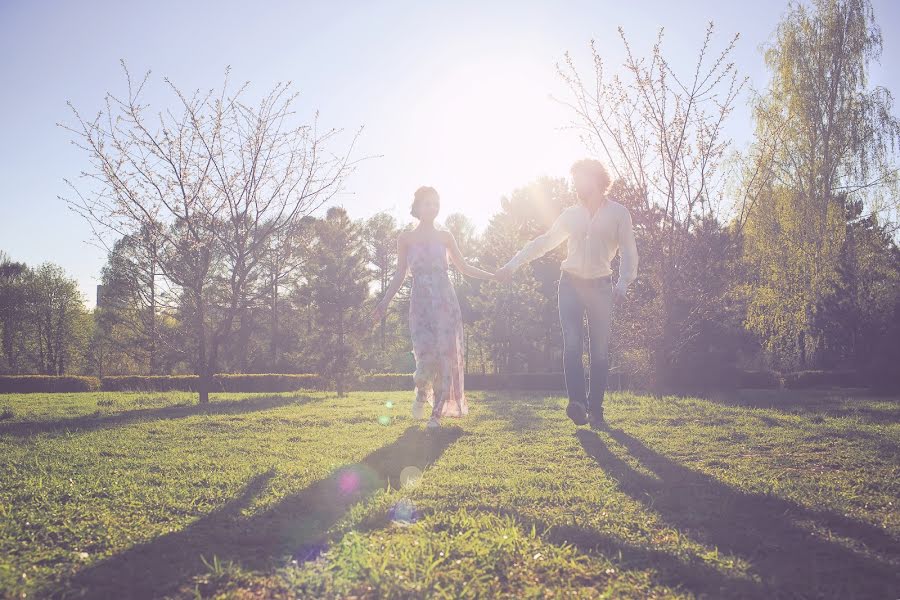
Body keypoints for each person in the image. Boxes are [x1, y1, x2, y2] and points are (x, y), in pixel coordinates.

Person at [496, 159, 638, 429]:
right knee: (572, 346)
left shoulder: (619, 214)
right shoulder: (571, 214)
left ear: (596, 179)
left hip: (601, 288)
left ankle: (596, 410)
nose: (575, 185)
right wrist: (512, 264)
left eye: (579, 179)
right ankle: (578, 404)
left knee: (599, 352)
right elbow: (545, 242)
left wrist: (623, 283)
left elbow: (629, 251)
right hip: (570, 285)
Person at [372, 186, 495, 430]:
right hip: (420, 303)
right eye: (427, 203)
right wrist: (384, 301)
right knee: (424, 358)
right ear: (417, 207)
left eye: (436, 203)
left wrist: (493, 276)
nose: (433, 207)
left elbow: (465, 267)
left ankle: (436, 415)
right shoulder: (405, 239)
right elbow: (399, 274)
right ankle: (421, 391)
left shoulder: (446, 237)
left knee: (445, 358)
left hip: (445, 302)